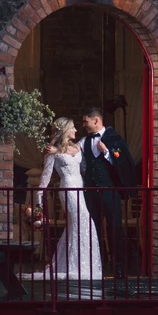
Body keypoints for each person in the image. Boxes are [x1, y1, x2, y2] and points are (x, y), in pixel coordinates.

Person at [24, 118, 102, 282]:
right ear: (66, 130)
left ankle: (82, 266)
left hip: (80, 189)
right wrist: (38, 208)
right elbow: (44, 181)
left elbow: (83, 168)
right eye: (73, 127)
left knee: (79, 226)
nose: (75, 129)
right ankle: (76, 267)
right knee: (83, 222)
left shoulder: (76, 147)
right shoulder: (53, 153)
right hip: (68, 190)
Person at [77, 106, 140, 279]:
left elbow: (123, 161)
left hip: (110, 193)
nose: (84, 125)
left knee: (115, 230)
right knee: (93, 230)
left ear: (96, 120)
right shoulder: (83, 142)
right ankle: (96, 268)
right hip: (91, 193)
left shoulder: (115, 139)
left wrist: (107, 152)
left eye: (85, 121)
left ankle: (119, 268)